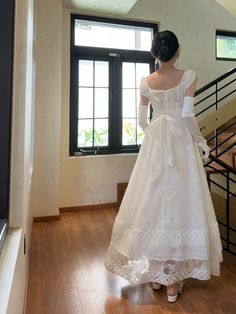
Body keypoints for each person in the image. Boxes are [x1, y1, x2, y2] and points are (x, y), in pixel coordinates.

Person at [104, 30, 222, 303]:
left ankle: (159, 277)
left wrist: (157, 134)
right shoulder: (189, 76)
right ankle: (172, 280)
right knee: (181, 204)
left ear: (155, 53)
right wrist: (201, 142)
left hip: (155, 147)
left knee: (153, 205)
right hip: (181, 146)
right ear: (177, 51)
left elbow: (142, 119)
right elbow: (188, 115)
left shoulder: (146, 81)